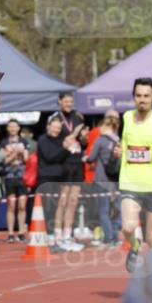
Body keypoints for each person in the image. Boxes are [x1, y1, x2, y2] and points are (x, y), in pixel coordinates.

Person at [119, 78, 152, 273]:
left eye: (146, 96)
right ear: (134, 97)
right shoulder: (125, 117)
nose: (142, 100)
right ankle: (134, 246)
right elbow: (124, 144)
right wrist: (118, 150)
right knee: (128, 227)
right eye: (138, 96)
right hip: (129, 181)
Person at [36, 117, 83, 251]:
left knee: (62, 205)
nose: (57, 130)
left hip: (60, 177)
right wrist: (64, 147)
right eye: (55, 127)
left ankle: (63, 237)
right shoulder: (43, 139)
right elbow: (51, 157)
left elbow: (70, 147)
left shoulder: (61, 139)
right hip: (46, 178)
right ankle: (52, 238)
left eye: (59, 127)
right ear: (48, 126)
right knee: (50, 208)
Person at [50, 92, 87, 244]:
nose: (69, 104)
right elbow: (62, 140)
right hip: (63, 162)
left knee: (73, 201)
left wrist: (84, 137)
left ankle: (67, 233)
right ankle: (57, 232)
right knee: (63, 200)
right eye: (66, 101)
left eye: (71, 101)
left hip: (77, 162)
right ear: (60, 101)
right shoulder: (55, 118)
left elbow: (83, 142)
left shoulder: (78, 117)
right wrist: (77, 131)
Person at [86, 114, 121, 245]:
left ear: (106, 126)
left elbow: (91, 157)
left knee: (103, 209)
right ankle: (116, 236)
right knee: (116, 209)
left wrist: (85, 158)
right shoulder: (119, 140)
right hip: (115, 180)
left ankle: (108, 237)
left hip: (101, 179)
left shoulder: (100, 140)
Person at [0, 119, 29, 242]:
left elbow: (27, 160)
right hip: (9, 176)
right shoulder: (3, 142)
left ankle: (21, 231)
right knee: (11, 206)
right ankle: (11, 233)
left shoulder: (24, 141)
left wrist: (22, 153)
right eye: (10, 126)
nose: (12, 129)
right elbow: (4, 161)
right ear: (7, 128)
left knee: (22, 206)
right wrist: (13, 154)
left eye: (15, 126)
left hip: (22, 176)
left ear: (18, 128)